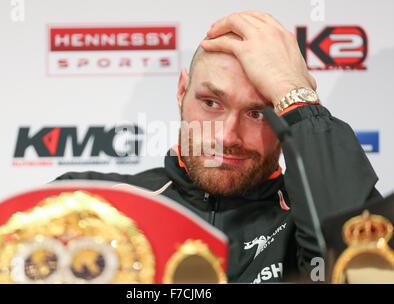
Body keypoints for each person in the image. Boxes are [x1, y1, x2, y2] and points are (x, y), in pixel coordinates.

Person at [55, 11, 381, 283]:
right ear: (182, 91)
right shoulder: (91, 203)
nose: (227, 136)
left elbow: (362, 269)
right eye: (211, 102)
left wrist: (297, 97)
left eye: (257, 112)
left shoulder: (306, 219)